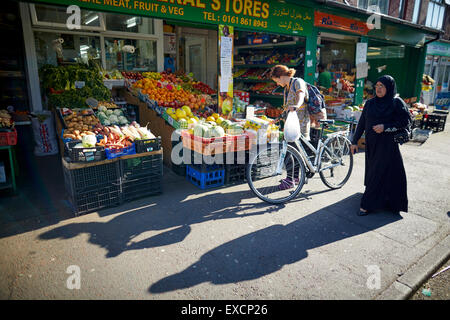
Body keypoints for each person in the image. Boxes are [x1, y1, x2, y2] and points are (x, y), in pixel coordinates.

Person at [350, 75, 411, 216]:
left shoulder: (396, 103)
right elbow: (362, 123)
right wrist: (354, 141)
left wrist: (385, 126)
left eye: (382, 86)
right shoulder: (370, 103)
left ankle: (366, 205)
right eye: (377, 85)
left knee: (377, 173)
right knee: (380, 173)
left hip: (388, 146)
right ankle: (387, 201)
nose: (378, 88)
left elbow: (405, 122)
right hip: (371, 145)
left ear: (389, 87)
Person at [268, 65, 310, 190]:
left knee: (290, 151)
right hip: (291, 123)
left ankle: (290, 179)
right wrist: (278, 118)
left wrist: (296, 105)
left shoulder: (298, 82)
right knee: (291, 150)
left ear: (281, 76)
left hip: (300, 123)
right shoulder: (286, 88)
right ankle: (295, 177)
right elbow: (287, 107)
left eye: (277, 81)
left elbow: (301, 95)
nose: (277, 84)